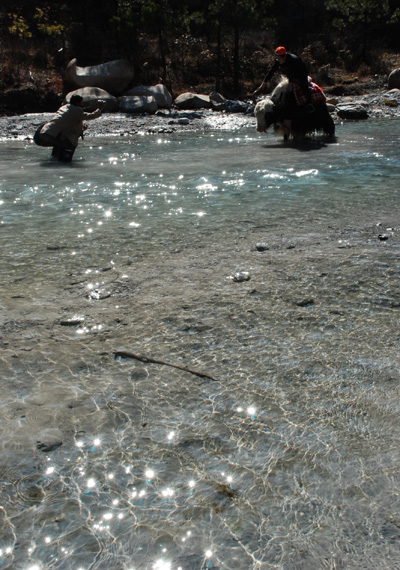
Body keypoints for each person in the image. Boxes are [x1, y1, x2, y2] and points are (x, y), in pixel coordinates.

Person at [34, 95, 105, 161]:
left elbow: (67, 123)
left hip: (42, 133)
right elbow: (90, 116)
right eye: (81, 103)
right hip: (51, 135)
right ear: (78, 103)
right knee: (70, 145)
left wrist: (82, 129)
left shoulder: (64, 107)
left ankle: (55, 160)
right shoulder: (77, 110)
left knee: (59, 146)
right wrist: (99, 109)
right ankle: (65, 163)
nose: (82, 104)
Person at [254, 46, 312, 113]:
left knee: (304, 88)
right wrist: (263, 83)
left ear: (284, 57)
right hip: (290, 76)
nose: (277, 60)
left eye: (279, 59)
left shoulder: (294, 60)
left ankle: (309, 104)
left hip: (301, 75)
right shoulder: (279, 60)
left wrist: (293, 81)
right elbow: (271, 71)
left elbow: (298, 72)